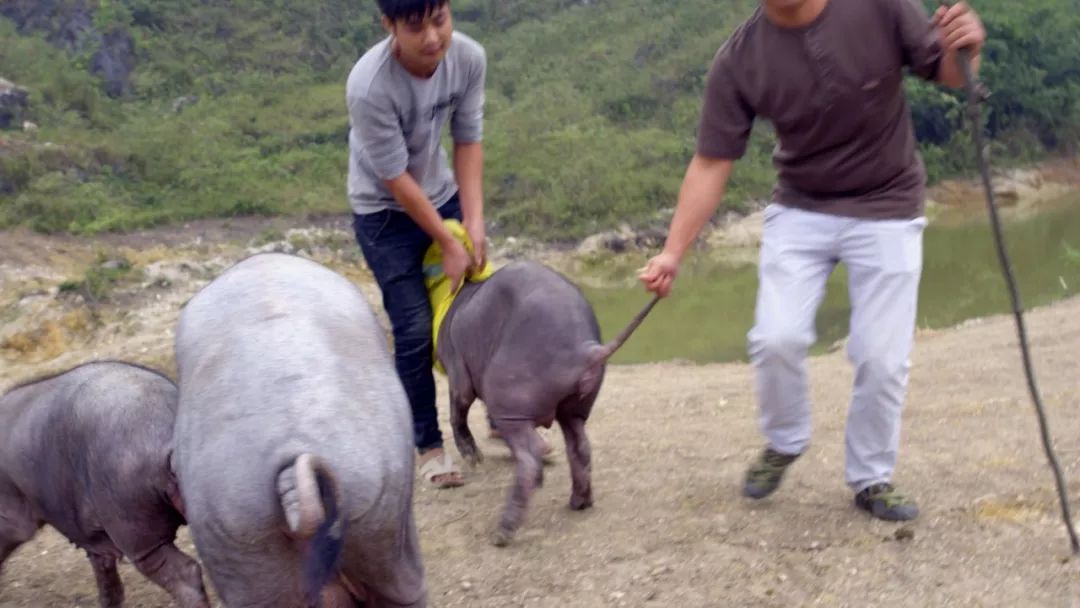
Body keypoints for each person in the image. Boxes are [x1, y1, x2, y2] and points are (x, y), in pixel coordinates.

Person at [639, 0, 986, 521]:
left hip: (888, 203)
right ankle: (784, 440)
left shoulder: (879, 6)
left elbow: (947, 72)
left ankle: (872, 477)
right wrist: (672, 251)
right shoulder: (740, 58)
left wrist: (968, 50)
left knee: (881, 356)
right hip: (802, 206)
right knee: (775, 338)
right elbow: (712, 161)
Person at [347, 0, 487, 488]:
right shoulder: (369, 86)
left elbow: (468, 140)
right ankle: (428, 446)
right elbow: (394, 178)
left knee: (477, 307)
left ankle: (506, 421)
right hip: (384, 214)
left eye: (440, 20)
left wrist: (472, 222)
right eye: (414, 26)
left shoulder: (468, 58)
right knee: (413, 328)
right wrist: (446, 244)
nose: (432, 38)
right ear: (389, 26)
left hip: (443, 196)